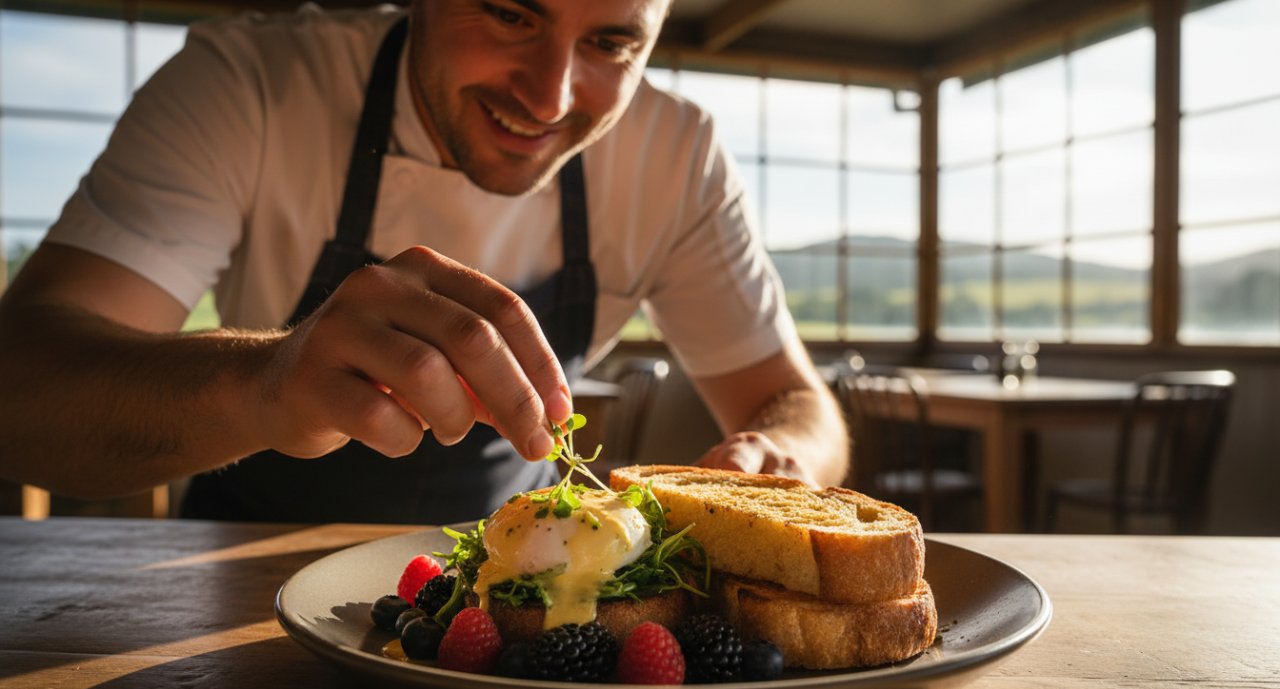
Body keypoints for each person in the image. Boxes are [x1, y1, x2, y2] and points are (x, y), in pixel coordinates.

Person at [0, 0, 847, 523]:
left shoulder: (677, 156)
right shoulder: (249, 84)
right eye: (512, 13)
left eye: (613, 43)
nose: (549, 98)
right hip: (229, 577)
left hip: (517, 601)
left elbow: (801, 407)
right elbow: (23, 390)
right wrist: (265, 381)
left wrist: (779, 457)